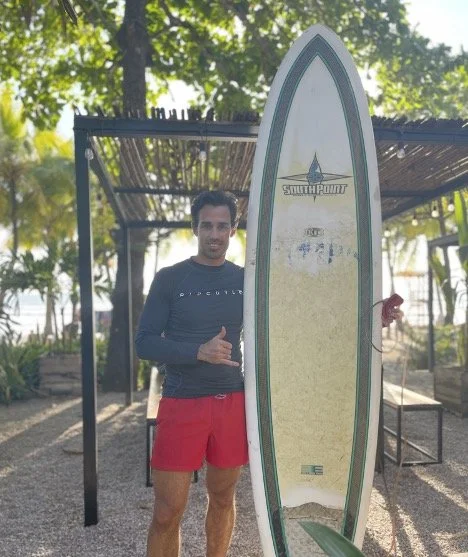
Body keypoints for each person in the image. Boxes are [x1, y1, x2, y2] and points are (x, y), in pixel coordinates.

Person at [135, 190, 247, 557]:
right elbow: (144, 343)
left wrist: (375, 315)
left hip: (232, 402)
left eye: (222, 226)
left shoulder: (247, 280)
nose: (214, 234)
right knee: (167, 512)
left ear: (233, 230)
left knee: (223, 497)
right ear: (195, 228)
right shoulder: (170, 279)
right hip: (182, 402)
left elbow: (298, 312)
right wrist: (198, 351)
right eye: (207, 226)